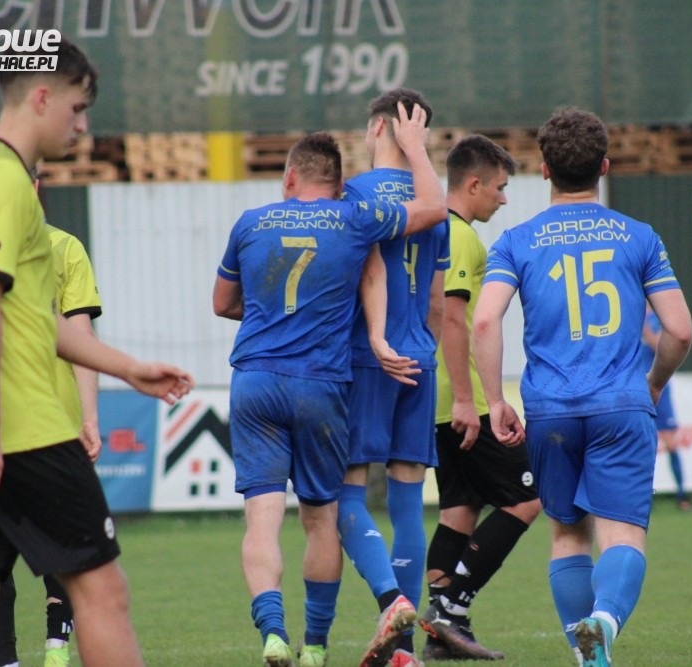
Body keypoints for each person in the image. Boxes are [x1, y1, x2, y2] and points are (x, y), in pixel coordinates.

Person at [0, 38, 194, 667]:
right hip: (21, 430)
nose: (82, 125)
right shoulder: (5, 182)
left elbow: (32, 317)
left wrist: (129, 369)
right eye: (77, 107)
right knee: (103, 594)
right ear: (42, 97)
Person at [212, 109, 447, 667]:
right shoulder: (354, 217)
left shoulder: (250, 222)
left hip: (256, 380)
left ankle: (273, 634)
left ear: (290, 177)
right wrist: (416, 147)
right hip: (322, 383)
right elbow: (433, 209)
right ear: (338, 183)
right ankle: (316, 647)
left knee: (262, 519)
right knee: (321, 517)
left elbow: (222, 304)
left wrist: (273, 315)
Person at [471, 107, 692, 667]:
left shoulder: (516, 241)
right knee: (622, 537)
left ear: (544, 169)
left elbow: (484, 321)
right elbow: (680, 331)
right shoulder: (639, 237)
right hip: (621, 404)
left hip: (551, 411)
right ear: (605, 167)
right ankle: (605, 622)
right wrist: (653, 383)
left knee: (568, 536)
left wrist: (495, 400)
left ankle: (586, 652)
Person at [417, 135, 542, 662]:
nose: (504, 198)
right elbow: (453, 320)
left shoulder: (429, 231)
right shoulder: (461, 236)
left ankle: (440, 634)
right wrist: (473, 402)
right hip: (462, 399)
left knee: (459, 510)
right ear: (473, 185)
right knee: (528, 497)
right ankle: (451, 609)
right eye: (499, 187)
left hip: (436, 398)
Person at [337, 88, 448, 667]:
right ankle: (403, 648)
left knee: (345, 495)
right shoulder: (435, 200)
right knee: (408, 504)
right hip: (419, 358)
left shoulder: (352, 195)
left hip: (366, 358)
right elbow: (437, 301)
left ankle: (393, 604)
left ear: (378, 128)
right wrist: (422, 350)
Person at [0, 223, 104, 667]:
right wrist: (89, 417)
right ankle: (57, 649)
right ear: (37, 189)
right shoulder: (64, 246)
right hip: (55, 421)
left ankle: (8, 661)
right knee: (68, 545)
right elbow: (81, 336)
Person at [642, 304, 692, 510]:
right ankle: (645, 497)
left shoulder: (657, 319)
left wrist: (645, 330)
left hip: (658, 386)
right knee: (643, 445)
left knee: (671, 443)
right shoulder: (626, 316)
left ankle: (682, 495)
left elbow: (660, 347)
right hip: (636, 388)